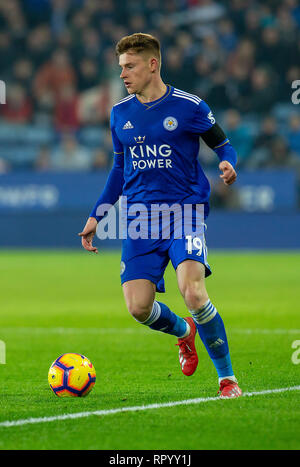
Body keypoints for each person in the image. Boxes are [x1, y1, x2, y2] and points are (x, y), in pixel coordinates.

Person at [79, 33, 242, 398]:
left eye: (130, 66)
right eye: (121, 67)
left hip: (183, 211)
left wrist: (228, 163)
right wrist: (97, 216)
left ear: (153, 64)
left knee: (194, 292)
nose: (123, 74)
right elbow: (119, 172)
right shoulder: (120, 113)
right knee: (138, 308)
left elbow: (222, 143)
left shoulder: (190, 106)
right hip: (139, 220)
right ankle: (184, 333)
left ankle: (227, 379)